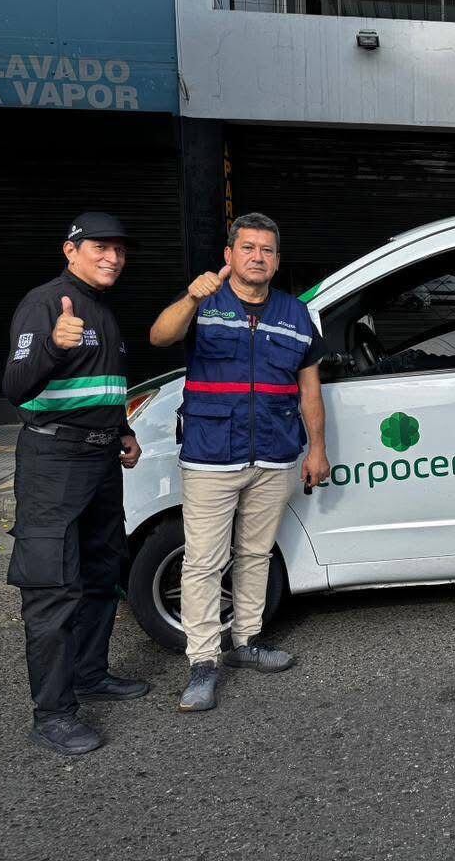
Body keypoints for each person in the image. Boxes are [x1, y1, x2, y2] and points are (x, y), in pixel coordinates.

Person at [149, 213, 330, 712]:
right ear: (229, 255)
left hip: (275, 451)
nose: (257, 257)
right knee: (203, 561)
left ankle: (246, 640)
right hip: (211, 454)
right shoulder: (204, 302)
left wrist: (317, 448)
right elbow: (159, 337)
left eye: (267, 250)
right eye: (248, 247)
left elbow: (310, 389)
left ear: (277, 260)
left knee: (255, 553)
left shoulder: (296, 313)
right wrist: (191, 298)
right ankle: (203, 661)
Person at [2, 212, 147, 756]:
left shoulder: (103, 310)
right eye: (100, 247)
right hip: (54, 462)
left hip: (101, 459)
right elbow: (15, 385)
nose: (113, 257)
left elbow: (101, 387)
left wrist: (123, 429)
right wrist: (52, 347)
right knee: (53, 586)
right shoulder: (46, 304)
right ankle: (53, 715)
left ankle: (90, 675)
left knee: (101, 571)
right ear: (71, 250)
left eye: (119, 250)